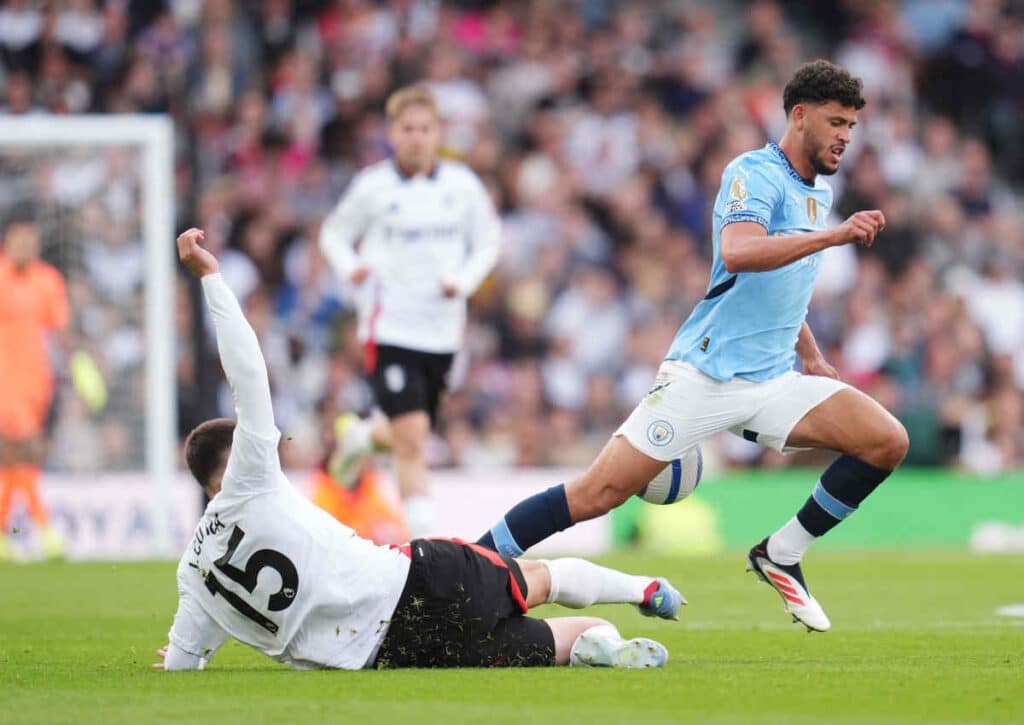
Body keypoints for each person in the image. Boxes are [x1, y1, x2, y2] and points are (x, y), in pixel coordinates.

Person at [475, 60, 909, 633]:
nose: (845, 137)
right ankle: (472, 566)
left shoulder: (818, 192)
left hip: (773, 379)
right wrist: (835, 234)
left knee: (886, 440)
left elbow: (783, 281)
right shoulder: (753, 173)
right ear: (799, 116)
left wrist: (808, 352)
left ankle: (782, 553)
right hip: (707, 373)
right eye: (835, 122)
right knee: (598, 492)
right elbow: (740, 253)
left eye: (852, 125)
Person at [157, 228, 681, 673]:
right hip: (417, 579)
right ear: (234, 458)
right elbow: (248, 372)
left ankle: (597, 646)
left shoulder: (192, 575)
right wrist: (211, 278)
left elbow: (183, 658)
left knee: (553, 643)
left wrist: (182, 659)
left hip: (390, 653)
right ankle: (643, 592)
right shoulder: (250, 478)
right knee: (547, 578)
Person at [319, 85, 501, 539]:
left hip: (443, 332)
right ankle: (423, 545)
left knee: (407, 431)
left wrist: (464, 281)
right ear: (391, 133)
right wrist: (352, 267)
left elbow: (488, 241)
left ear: (437, 133)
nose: (417, 137)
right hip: (390, 327)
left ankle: (360, 438)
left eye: (425, 129)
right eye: (408, 129)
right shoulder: (373, 187)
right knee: (414, 440)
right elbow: (334, 234)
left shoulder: (462, 187)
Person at [0, 219, 69, 561]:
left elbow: (60, 331)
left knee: (15, 459)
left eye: (29, 242)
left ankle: (3, 533)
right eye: (17, 241)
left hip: (37, 383)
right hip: (5, 381)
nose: (23, 248)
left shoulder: (48, 281)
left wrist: (77, 367)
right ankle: (44, 529)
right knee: (22, 449)